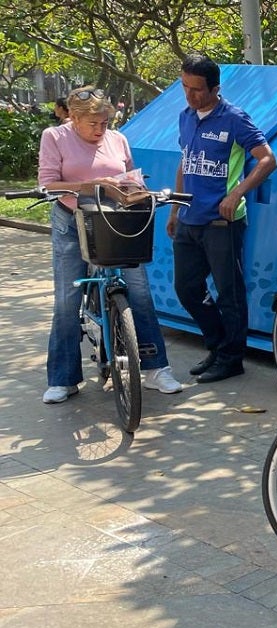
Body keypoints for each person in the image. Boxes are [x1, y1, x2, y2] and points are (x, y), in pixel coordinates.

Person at [37, 86, 183, 404]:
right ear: (73, 118)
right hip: (72, 221)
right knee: (67, 299)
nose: (100, 129)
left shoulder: (118, 139)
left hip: (115, 220)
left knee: (139, 292)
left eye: (105, 122)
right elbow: (48, 184)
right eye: (93, 124)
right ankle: (63, 378)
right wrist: (88, 185)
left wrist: (138, 189)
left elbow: (131, 176)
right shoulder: (55, 137)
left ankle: (156, 368)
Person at [167, 53, 277, 383]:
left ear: (215, 89)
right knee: (187, 288)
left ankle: (231, 359)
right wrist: (174, 209)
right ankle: (217, 346)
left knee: (229, 293)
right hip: (189, 218)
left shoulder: (234, 118)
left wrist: (236, 193)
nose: (190, 95)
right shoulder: (185, 117)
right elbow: (185, 162)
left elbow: (268, 160)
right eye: (185, 87)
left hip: (221, 222)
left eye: (197, 89)